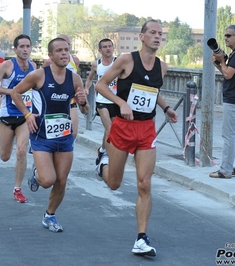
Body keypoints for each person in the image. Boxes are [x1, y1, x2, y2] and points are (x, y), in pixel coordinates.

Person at [94, 19, 178, 256]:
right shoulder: (127, 60)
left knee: (145, 183)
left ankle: (141, 238)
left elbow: (153, 92)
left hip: (146, 129)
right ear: (142, 37)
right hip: (123, 127)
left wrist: (166, 108)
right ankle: (102, 163)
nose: (157, 36)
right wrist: (121, 103)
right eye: (152, 33)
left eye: (160, 33)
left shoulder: (162, 66)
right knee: (114, 183)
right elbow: (100, 86)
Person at [11, 37, 89, 232]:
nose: (64, 53)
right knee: (48, 180)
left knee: (61, 181)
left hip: (64, 136)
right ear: (51, 55)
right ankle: (37, 175)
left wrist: (83, 102)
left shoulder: (74, 78)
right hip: (42, 135)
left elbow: (86, 111)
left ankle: (50, 216)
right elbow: (15, 93)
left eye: (67, 50)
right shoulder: (39, 75)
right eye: (60, 50)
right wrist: (27, 115)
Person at [0, 34, 37, 203]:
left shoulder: (33, 66)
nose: (25, 49)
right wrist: (12, 93)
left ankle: (17, 189)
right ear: (15, 49)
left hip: (25, 115)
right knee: (4, 156)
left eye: (27, 46)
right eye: (21, 47)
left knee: (22, 151)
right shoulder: (7, 65)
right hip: (8, 114)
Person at [209, 25, 235, 179]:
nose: (226, 38)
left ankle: (225, 170)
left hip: (233, 101)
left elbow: (227, 75)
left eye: (229, 35)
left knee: (229, 136)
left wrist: (222, 61)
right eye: (225, 35)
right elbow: (228, 73)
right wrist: (218, 64)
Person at [84, 38, 117, 165]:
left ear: (113, 48)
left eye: (110, 46)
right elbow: (90, 78)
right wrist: (86, 88)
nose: (108, 49)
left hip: (115, 99)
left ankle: (102, 149)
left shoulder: (118, 62)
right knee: (109, 127)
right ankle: (107, 159)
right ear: (100, 50)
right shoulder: (96, 64)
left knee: (109, 129)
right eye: (105, 47)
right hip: (102, 100)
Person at [42, 34, 80, 140]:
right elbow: (42, 78)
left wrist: (82, 92)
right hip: (52, 99)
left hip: (70, 100)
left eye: (66, 45)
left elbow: (76, 78)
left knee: (73, 132)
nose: (63, 50)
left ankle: (67, 149)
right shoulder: (49, 62)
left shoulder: (75, 60)